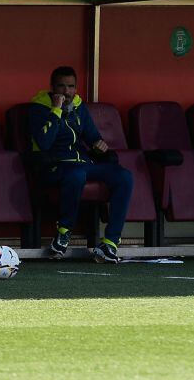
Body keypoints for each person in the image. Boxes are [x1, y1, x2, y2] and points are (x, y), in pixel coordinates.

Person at [29, 66, 133, 264]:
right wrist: (56, 110)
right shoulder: (38, 108)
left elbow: (93, 137)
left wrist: (99, 145)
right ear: (52, 88)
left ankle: (110, 242)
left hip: (82, 164)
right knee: (76, 175)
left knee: (124, 176)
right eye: (61, 86)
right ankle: (63, 233)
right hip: (54, 166)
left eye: (71, 87)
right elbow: (44, 142)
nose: (67, 92)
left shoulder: (79, 107)